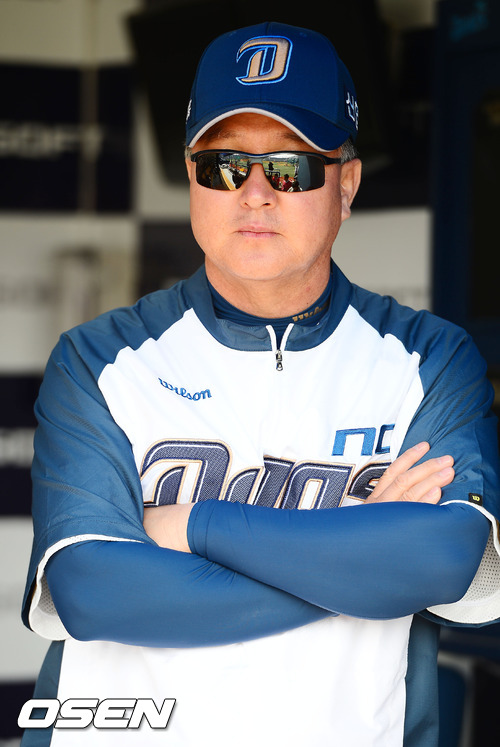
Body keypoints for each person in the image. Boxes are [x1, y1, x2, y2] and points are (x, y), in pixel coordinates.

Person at [20, 21, 500, 747]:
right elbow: (94, 591)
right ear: (192, 178)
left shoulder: (429, 358)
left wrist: (194, 526)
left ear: (346, 185)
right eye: (224, 165)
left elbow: (443, 559)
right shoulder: (98, 359)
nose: (254, 194)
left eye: (291, 167)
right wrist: (362, 556)